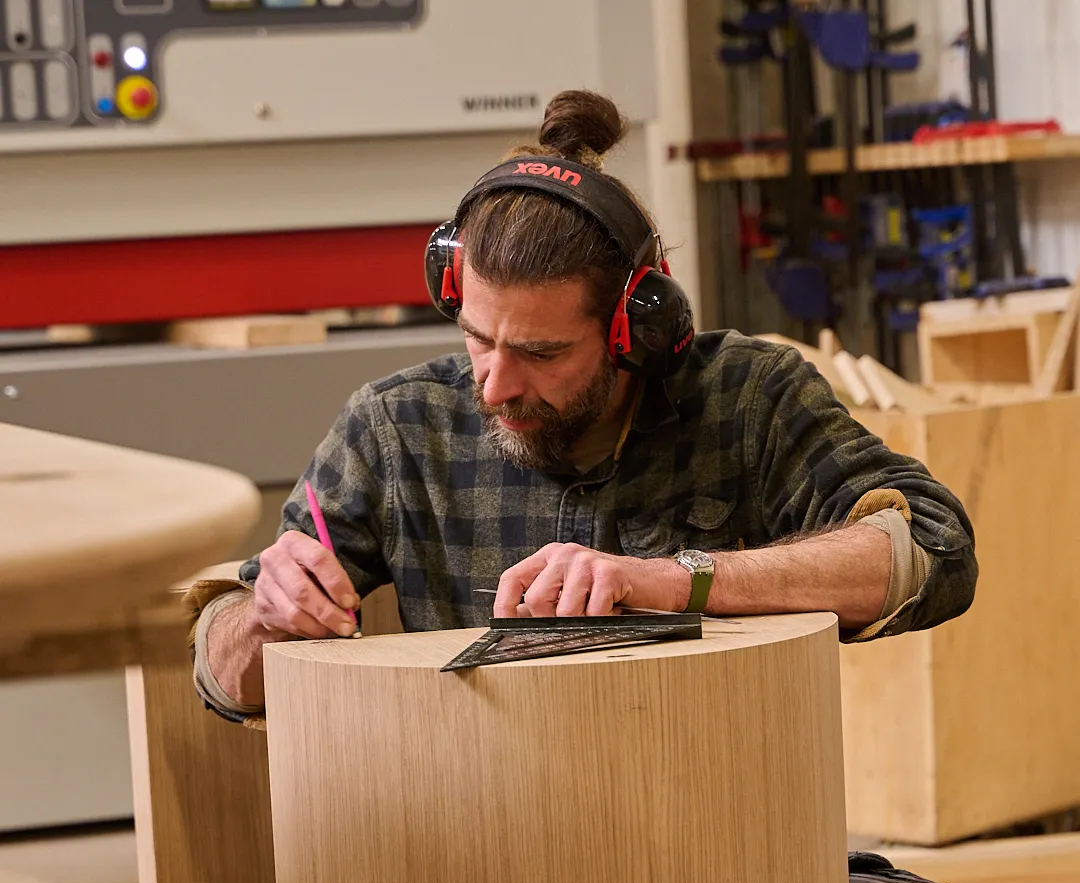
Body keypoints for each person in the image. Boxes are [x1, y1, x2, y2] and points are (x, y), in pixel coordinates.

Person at [191, 89, 977, 722]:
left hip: (710, 835)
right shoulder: (397, 431)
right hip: (480, 844)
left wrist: (675, 580)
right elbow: (222, 676)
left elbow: (935, 550)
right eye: (477, 339)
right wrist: (263, 620)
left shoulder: (746, 399)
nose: (494, 386)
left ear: (638, 329)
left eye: (541, 353)